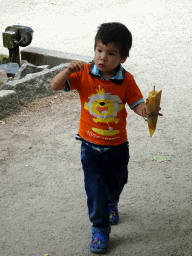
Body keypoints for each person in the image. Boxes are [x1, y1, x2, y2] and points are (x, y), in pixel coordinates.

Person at [51, 22, 158, 253]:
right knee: (94, 188)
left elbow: (136, 104)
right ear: (94, 49)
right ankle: (99, 229)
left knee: (117, 183)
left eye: (111, 53)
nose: (103, 58)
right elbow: (54, 85)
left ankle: (113, 202)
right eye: (99, 50)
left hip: (118, 146)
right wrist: (68, 70)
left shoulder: (126, 79)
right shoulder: (83, 73)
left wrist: (147, 111)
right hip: (90, 146)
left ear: (123, 58)